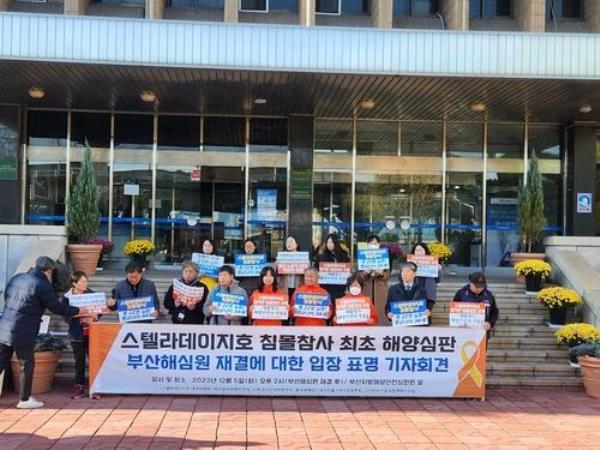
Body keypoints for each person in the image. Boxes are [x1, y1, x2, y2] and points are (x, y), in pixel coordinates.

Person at [0, 257, 94, 409]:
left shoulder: (17, 277)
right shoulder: (42, 284)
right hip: (24, 329)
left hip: (4, 326)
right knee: (26, 363)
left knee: (1, 360)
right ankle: (24, 400)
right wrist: (78, 310)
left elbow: (7, 296)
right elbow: (56, 307)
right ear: (49, 270)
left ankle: (25, 398)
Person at [61, 271, 103, 399]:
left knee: (94, 360)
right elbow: (65, 316)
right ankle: (79, 387)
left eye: (86, 281)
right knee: (79, 361)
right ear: (74, 283)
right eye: (82, 282)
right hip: (77, 333)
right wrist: (80, 319)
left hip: (92, 333)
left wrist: (96, 316)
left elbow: (99, 310)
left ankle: (95, 387)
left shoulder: (91, 294)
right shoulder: (67, 297)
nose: (85, 284)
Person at [452, 271, 499, 336]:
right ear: (471, 283)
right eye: (477, 286)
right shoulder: (461, 293)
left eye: (481, 286)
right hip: (464, 333)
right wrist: (459, 323)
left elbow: (494, 312)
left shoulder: (488, 295)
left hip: (482, 334)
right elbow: (454, 311)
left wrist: (490, 323)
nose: (479, 289)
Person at [359, 235, 391, 325]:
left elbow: (388, 275)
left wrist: (381, 273)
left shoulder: (384, 257)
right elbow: (358, 277)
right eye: (371, 243)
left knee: (380, 312)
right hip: (366, 289)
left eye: (375, 243)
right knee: (367, 312)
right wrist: (365, 272)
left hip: (380, 289)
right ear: (367, 244)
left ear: (379, 244)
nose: (373, 245)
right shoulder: (362, 256)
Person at [315, 233, 350, 305]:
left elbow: (347, 270)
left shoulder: (344, 256)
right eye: (327, 242)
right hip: (326, 287)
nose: (329, 244)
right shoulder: (321, 256)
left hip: (340, 287)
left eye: (331, 242)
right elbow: (316, 269)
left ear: (336, 243)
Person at [411, 242, 442, 307]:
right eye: (416, 250)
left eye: (420, 250)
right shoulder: (409, 264)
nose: (418, 252)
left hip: (429, 295)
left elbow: (438, 280)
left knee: (427, 315)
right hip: (413, 295)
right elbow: (402, 278)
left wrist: (439, 270)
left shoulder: (432, 262)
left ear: (425, 251)